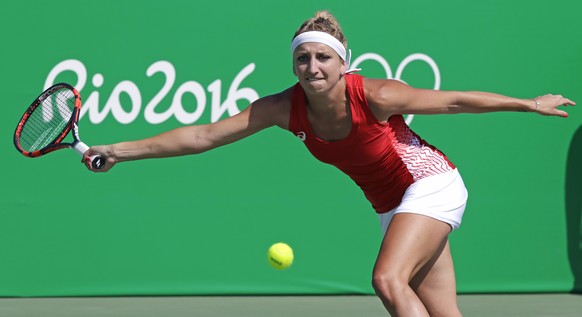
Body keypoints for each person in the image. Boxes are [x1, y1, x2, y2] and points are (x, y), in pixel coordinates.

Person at [83, 11, 575, 317]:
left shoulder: (377, 93)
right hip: (392, 204)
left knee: (386, 281)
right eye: (303, 60)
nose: (312, 68)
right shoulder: (282, 106)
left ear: (343, 63)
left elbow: (453, 101)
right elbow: (202, 136)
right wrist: (120, 152)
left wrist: (525, 103)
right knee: (442, 311)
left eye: (323, 58)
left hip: (431, 184)